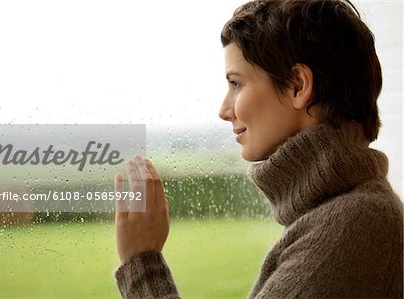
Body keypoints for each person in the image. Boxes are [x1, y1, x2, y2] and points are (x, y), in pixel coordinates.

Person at [113, 0, 403, 298]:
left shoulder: (353, 224)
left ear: (298, 86)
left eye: (236, 84)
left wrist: (142, 262)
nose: (224, 110)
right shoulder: (343, 212)